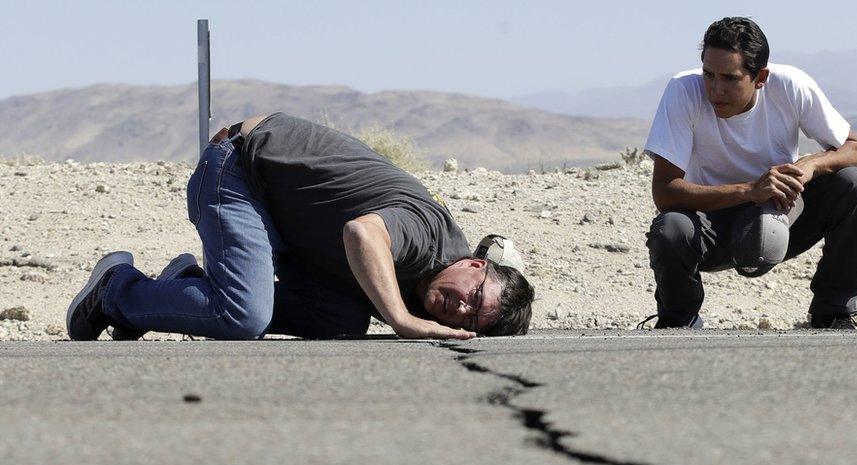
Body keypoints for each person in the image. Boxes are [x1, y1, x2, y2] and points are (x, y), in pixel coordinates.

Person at [67, 113, 534, 341]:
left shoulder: (435, 284)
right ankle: (116, 289)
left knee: (343, 321)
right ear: (475, 263)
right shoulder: (427, 235)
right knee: (241, 318)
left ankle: (184, 288)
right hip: (242, 169)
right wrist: (401, 320)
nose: (458, 308)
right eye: (474, 296)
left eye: (470, 320)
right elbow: (362, 234)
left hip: (291, 226)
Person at [642, 16, 857, 330]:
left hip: (782, 215)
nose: (715, 89)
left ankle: (834, 313)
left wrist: (811, 164)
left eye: (730, 78)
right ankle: (679, 320)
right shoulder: (683, 91)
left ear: (760, 77)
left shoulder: (791, 85)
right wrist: (750, 190)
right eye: (708, 74)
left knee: (855, 184)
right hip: (712, 223)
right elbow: (665, 193)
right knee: (670, 228)